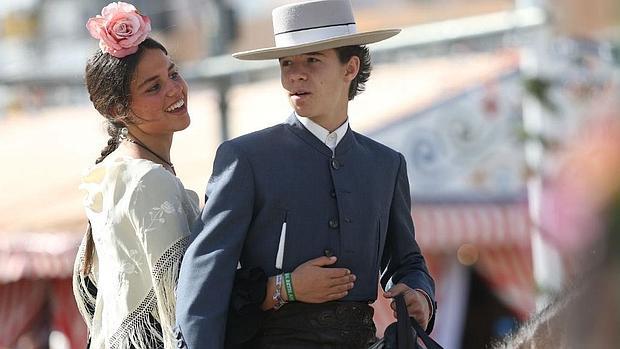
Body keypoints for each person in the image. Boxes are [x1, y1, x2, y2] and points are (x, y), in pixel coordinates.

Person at [175, 1, 436, 348]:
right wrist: (287, 287)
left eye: (312, 60)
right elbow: (204, 278)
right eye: (286, 63)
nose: (294, 75)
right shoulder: (245, 158)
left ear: (351, 67)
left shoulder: (386, 165)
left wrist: (420, 294)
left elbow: (407, 261)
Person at [72, 2, 199, 348]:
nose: (174, 89)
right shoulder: (147, 181)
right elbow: (182, 310)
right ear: (117, 109)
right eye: (153, 87)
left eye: (173, 73)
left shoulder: (114, 171)